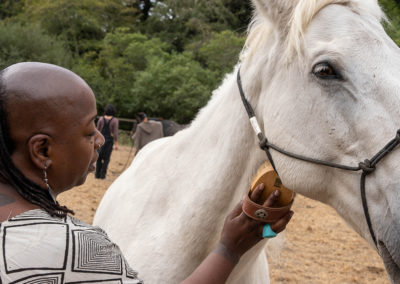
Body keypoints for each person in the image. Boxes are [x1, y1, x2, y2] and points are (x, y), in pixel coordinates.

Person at [0, 62, 293, 283]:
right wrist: (230, 249)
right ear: (42, 151)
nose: (100, 141)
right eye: (90, 132)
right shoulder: (71, 248)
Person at [95, 104, 119, 179]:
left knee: (99, 157)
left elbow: (97, 130)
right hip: (109, 142)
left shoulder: (101, 119)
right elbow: (115, 133)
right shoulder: (115, 120)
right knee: (106, 159)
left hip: (100, 141)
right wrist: (116, 144)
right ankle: (103, 175)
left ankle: (97, 175)